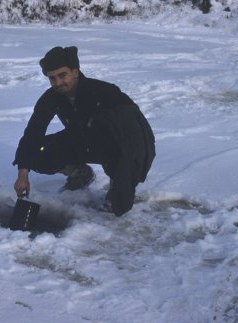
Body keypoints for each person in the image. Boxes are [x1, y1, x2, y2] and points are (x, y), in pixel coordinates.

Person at [13, 46, 155, 216]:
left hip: (116, 146)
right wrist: (23, 173)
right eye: (52, 78)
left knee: (118, 202)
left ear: (75, 71)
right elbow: (33, 133)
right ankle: (80, 173)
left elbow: (137, 139)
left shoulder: (106, 93)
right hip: (82, 141)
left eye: (62, 75)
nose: (58, 83)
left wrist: (125, 182)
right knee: (36, 152)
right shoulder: (51, 97)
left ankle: (115, 183)